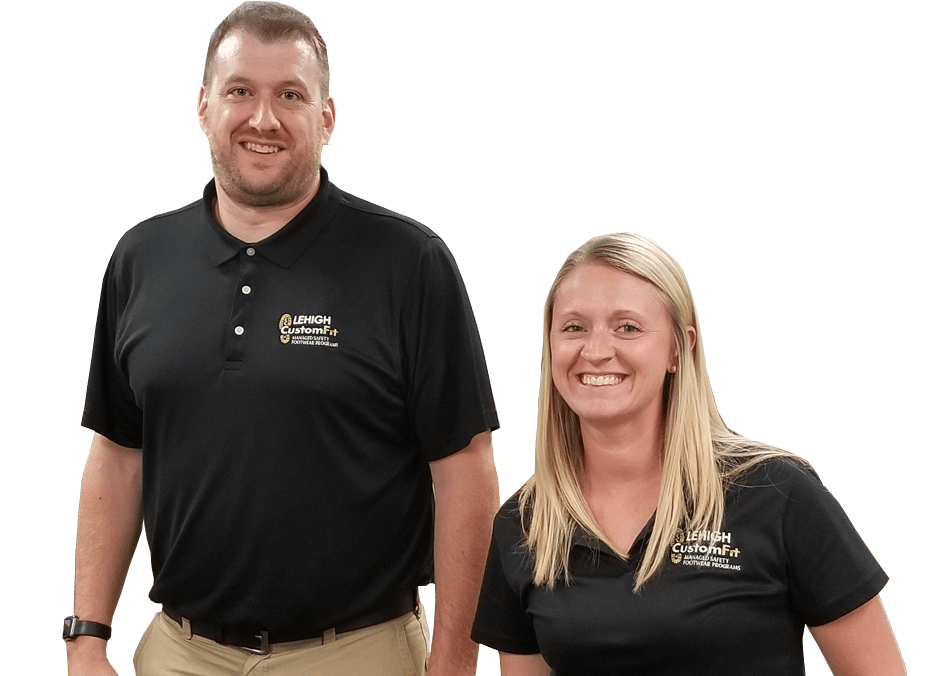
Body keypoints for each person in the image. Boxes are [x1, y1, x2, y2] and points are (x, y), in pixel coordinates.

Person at [65, 3, 500, 675]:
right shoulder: (140, 258)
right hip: (178, 652)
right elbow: (118, 456)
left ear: (326, 118)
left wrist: (453, 662)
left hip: (357, 653)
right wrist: (88, 637)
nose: (263, 119)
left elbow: (465, 470)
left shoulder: (409, 263)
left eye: (290, 96)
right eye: (240, 90)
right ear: (204, 106)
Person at [471, 232, 904, 675]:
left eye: (628, 327)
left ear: (679, 348)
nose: (596, 351)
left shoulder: (777, 492)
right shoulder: (524, 523)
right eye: (573, 327)